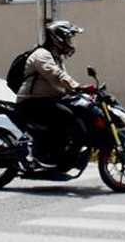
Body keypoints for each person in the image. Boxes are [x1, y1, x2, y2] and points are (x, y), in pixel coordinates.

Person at [14, 20, 87, 165]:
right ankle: (46, 156)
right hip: (31, 102)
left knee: (76, 113)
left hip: (47, 100)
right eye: (67, 38)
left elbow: (62, 82)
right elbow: (56, 75)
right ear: (57, 38)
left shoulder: (55, 57)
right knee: (67, 116)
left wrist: (82, 93)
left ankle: (60, 154)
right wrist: (77, 86)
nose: (70, 42)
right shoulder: (42, 55)